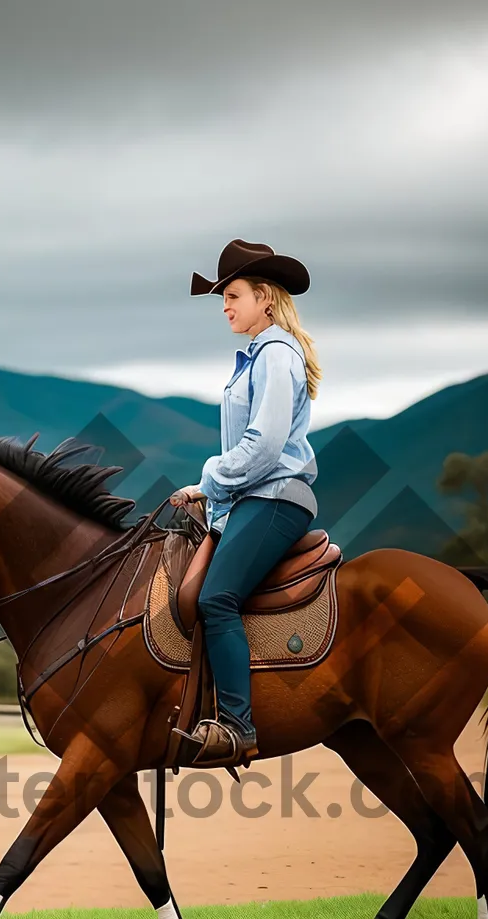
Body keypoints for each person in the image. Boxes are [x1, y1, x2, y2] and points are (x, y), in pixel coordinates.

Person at [169, 238, 321, 769]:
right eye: (223, 299)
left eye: (233, 296)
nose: (226, 307)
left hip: (276, 496)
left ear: (266, 299)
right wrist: (204, 489)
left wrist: (210, 476)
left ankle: (238, 726)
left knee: (216, 600)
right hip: (250, 496)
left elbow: (264, 444)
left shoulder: (277, 356)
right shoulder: (259, 356)